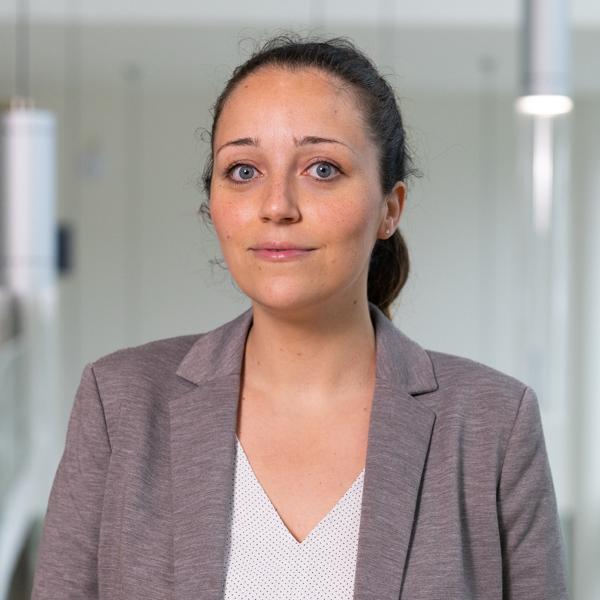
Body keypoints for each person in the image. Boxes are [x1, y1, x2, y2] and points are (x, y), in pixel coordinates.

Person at [31, 34, 569, 599]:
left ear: (390, 209)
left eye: (322, 169)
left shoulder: (494, 424)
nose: (277, 206)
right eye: (244, 171)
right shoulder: (120, 403)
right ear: (213, 204)